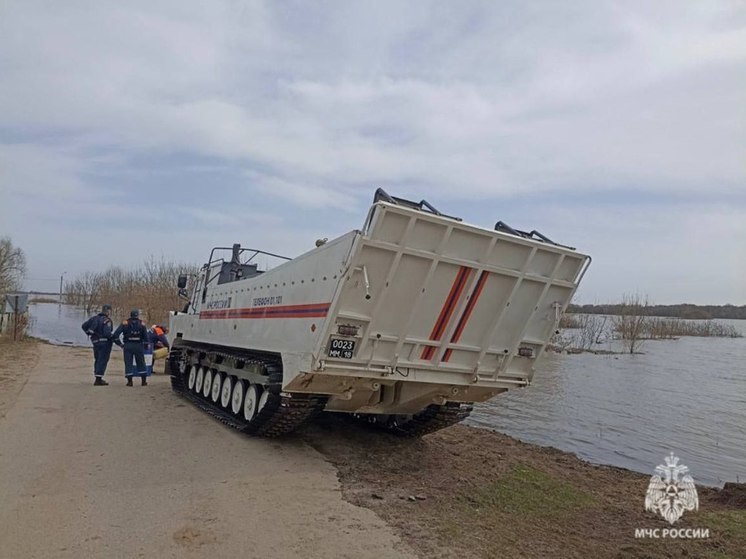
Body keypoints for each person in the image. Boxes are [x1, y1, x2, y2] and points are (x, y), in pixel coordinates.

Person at [112, 309, 149, 386]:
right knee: (141, 362)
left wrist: (120, 344)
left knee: (128, 363)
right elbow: (146, 338)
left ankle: (130, 382)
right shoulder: (142, 324)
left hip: (127, 345)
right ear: (137, 315)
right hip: (138, 345)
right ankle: (143, 381)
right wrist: (146, 346)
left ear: (130, 315)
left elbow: (115, 335)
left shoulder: (125, 323)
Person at [81, 304, 114, 386]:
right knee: (102, 360)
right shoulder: (107, 320)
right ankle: (98, 379)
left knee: (97, 359)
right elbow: (107, 333)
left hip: (95, 342)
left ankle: (97, 376)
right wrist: (114, 339)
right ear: (108, 311)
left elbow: (84, 326)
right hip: (105, 343)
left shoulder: (94, 318)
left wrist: (89, 334)